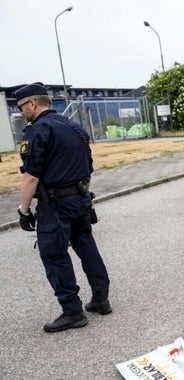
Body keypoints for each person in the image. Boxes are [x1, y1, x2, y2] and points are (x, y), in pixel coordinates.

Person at [15, 83, 111, 333]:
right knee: (87, 246)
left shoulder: (38, 130)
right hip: (80, 199)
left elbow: (30, 177)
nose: (21, 112)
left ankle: (72, 312)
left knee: (55, 255)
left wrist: (24, 210)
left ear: (32, 104)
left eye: (21, 107)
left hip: (54, 204)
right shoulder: (75, 127)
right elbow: (89, 168)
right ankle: (101, 299)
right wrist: (82, 193)